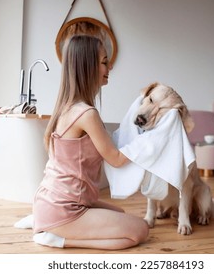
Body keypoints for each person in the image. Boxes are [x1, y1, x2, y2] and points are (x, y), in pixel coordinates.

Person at [32, 35, 149, 250]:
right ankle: (55, 237)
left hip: (54, 200)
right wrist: (151, 139)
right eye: (104, 62)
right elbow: (116, 159)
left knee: (121, 214)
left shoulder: (68, 107)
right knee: (139, 230)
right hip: (65, 208)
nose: (110, 66)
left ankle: (45, 223)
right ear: (88, 66)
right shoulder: (86, 113)